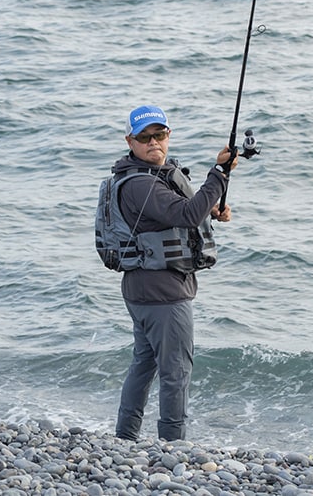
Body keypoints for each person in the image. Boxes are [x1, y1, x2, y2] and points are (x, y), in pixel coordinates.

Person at [95, 104, 237, 441]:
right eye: (144, 137)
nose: (152, 142)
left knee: (144, 364)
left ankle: (125, 437)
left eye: (158, 134)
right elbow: (186, 214)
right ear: (130, 142)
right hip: (162, 293)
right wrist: (219, 171)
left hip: (144, 288)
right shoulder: (139, 185)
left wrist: (212, 211)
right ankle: (173, 446)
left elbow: (180, 216)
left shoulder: (149, 177)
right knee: (176, 370)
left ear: (168, 135)